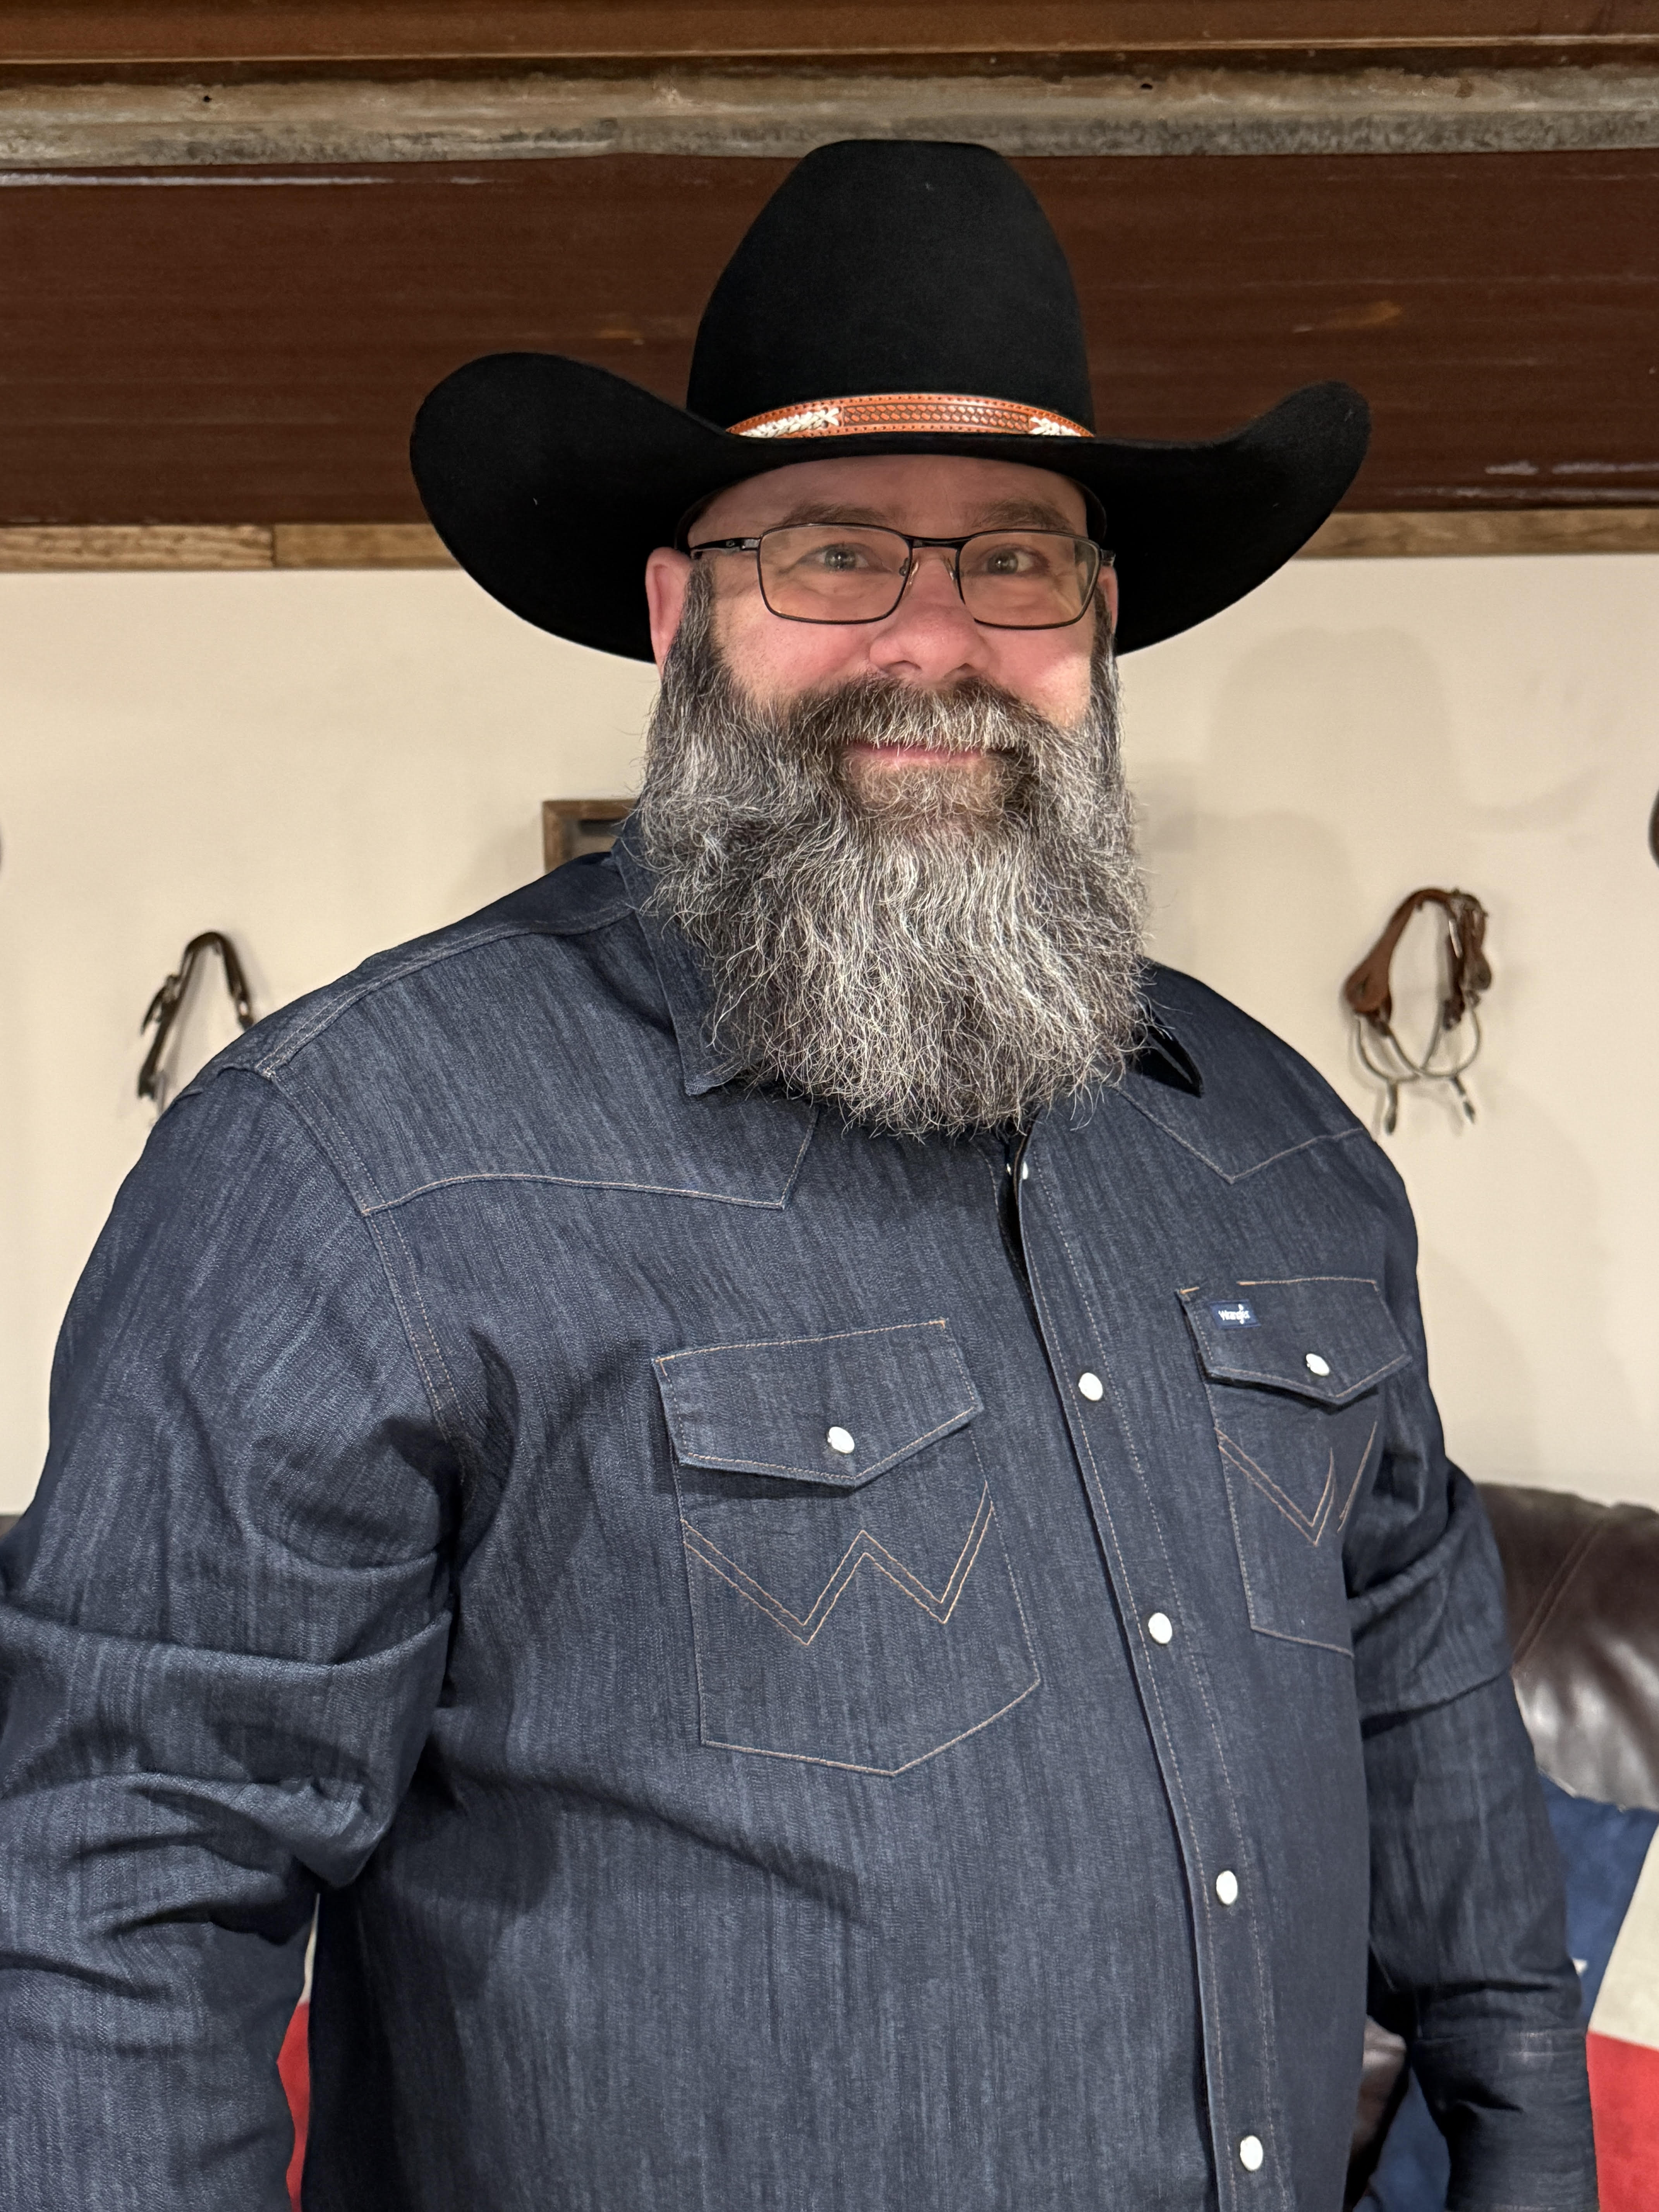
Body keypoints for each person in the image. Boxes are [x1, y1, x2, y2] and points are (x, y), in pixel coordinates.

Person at [0, 140, 1594, 2212]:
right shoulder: (350, 1164)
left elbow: (1427, 1696)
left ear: (1097, 629)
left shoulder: (1280, 1146)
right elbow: (114, 1905)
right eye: (832, 554)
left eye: (1017, 559)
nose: (933, 639)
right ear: (680, 613)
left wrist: (1533, 2150)